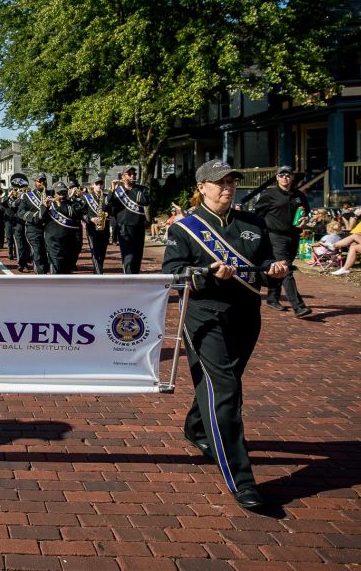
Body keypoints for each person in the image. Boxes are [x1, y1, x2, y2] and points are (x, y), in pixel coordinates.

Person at [162, 159, 289, 510]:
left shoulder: (253, 223)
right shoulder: (184, 228)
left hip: (246, 316)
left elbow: (263, 267)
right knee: (227, 392)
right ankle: (242, 481)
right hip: (204, 317)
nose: (227, 188)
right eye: (219, 183)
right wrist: (206, 271)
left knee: (221, 382)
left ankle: (196, 428)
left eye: (232, 182)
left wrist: (274, 272)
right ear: (202, 187)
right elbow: (172, 275)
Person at [241, 166, 312, 317]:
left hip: (293, 236)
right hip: (275, 236)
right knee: (286, 269)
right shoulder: (269, 195)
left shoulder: (298, 195)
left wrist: (305, 219)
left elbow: (306, 211)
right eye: (282, 175)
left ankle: (272, 298)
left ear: (292, 178)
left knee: (281, 268)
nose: (285, 178)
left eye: (288, 175)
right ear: (277, 178)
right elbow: (257, 214)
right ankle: (298, 307)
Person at [104, 166, 150, 274]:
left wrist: (131, 189)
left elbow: (146, 201)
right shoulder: (117, 191)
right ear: (123, 176)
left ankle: (135, 278)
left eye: (134, 174)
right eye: (129, 174)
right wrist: (112, 190)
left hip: (138, 226)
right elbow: (106, 206)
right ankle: (128, 278)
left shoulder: (141, 189)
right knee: (128, 256)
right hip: (124, 226)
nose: (133, 176)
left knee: (138, 255)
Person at [44, 183, 85, 274]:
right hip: (54, 241)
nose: (62, 195)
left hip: (69, 241)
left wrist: (72, 198)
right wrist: (45, 206)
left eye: (64, 192)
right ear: (54, 193)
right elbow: (40, 218)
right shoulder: (49, 204)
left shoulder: (72, 203)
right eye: (59, 192)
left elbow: (77, 213)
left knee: (67, 269)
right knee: (56, 267)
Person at [18, 174, 51, 274]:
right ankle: (40, 276)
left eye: (43, 180)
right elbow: (21, 213)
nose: (41, 183)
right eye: (39, 181)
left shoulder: (52, 194)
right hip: (34, 229)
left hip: (49, 228)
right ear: (35, 182)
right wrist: (36, 216)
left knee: (49, 254)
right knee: (38, 253)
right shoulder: (27, 196)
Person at [81, 178, 111, 274]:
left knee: (102, 252)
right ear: (93, 185)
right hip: (92, 229)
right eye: (96, 183)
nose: (99, 185)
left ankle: (97, 270)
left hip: (104, 229)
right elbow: (82, 213)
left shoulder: (106, 197)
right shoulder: (86, 198)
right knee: (95, 252)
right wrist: (90, 219)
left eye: (100, 183)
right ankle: (99, 273)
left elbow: (112, 210)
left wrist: (107, 215)